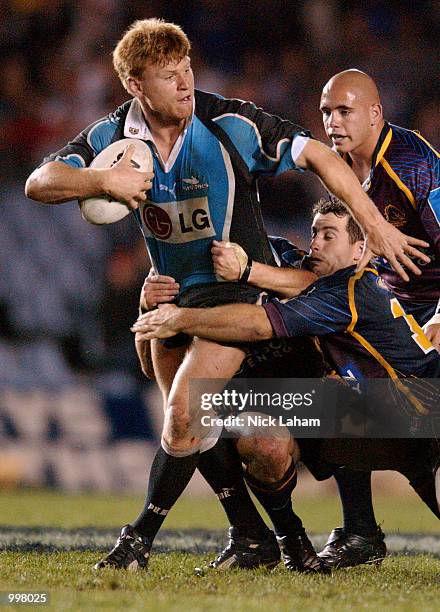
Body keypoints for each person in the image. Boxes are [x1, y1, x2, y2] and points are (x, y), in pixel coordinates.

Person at [24, 19, 429, 572]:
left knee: (190, 409)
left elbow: (321, 158)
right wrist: (101, 182)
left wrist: (374, 227)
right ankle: (265, 538)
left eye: (188, 69)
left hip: (239, 300)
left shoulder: (229, 122)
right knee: (234, 437)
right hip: (173, 300)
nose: (186, 83)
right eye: (170, 76)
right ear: (136, 86)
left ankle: (138, 539)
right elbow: (39, 182)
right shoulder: (112, 142)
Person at [133, 199, 440, 551]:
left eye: (329, 236)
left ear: (360, 250)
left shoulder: (346, 291)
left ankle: (354, 531)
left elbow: (260, 324)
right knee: (303, 405)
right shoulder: (322, 274)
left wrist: (182, 317)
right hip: (399, 415)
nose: (316, 244)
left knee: (221, 402)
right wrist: (150, 311)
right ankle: (353, 532)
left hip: (416, 416)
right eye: (314, 233)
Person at [316, 69, 440, 568]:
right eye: (326, 111)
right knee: (336, 386)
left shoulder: (413, 165)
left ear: (375, 113)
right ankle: (360, 531)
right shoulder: (337, 167)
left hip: (425, 317)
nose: (332, 121)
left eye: (344, 111)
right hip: (382, 316)